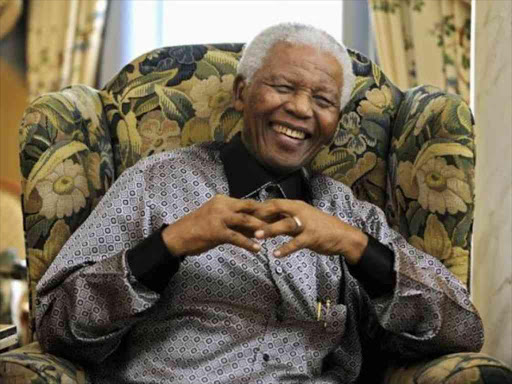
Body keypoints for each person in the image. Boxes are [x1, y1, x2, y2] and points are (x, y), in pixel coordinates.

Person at [36, 23, 483, 383]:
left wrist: (357, 247)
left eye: (323, 100)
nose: (302, 109)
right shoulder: (153, 184)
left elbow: (463, 328)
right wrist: (167, 246)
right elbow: (57, 326)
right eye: (284, 86)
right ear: (241, 92)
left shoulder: (347, 214)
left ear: (335, 122)